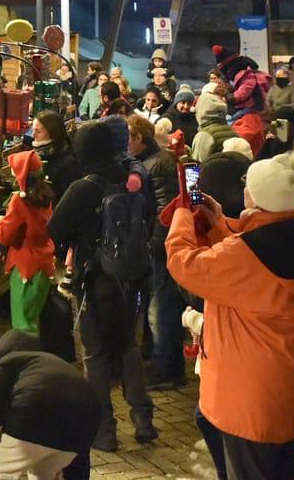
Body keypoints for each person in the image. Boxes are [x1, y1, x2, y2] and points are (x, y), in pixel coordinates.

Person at [166, 150, 294, 480]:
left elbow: (184, 264)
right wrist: (220, 223)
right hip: (288, 390)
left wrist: (183, 215)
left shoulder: (247, 253)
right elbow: (253, 262)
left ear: (257, 197)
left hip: (250, 400)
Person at [47, 119, 157, 451]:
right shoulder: (134, 180)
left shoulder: (83, 188)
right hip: (131, 278)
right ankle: (144, 421)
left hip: (94, 280)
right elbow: (149, 218)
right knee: (127, 347)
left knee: (94, 354)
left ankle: (104, 432)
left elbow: (54, 230)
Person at [0, 330, 96, 480]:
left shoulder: (4, 365)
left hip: (34, 412)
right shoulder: (50, 365)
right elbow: (80, 420)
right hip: (87, 419)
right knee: (42, 473)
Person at [127, 115, 183, 389]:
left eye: (128, 138)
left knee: (161, 308)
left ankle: (167, 370)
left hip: (159, 246)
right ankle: (160, 362)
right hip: (155, 244)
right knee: (156, 305)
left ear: (139, 138)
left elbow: (165, 209)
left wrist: (154, 244)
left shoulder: (158, 163)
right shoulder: (151, 161)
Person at [0, 149, 56, 336]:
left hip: (25, 268)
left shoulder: (19, 201)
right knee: (33, 320)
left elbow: (5, 235)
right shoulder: (46, 197)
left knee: (22, 325)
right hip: (44, 264)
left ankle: (26, 361)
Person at [30, 111, 80, 198]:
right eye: (33, 130)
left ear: (52, 133)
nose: (33, 135)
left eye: (38, 132)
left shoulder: (68, 163)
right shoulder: (33, 157)